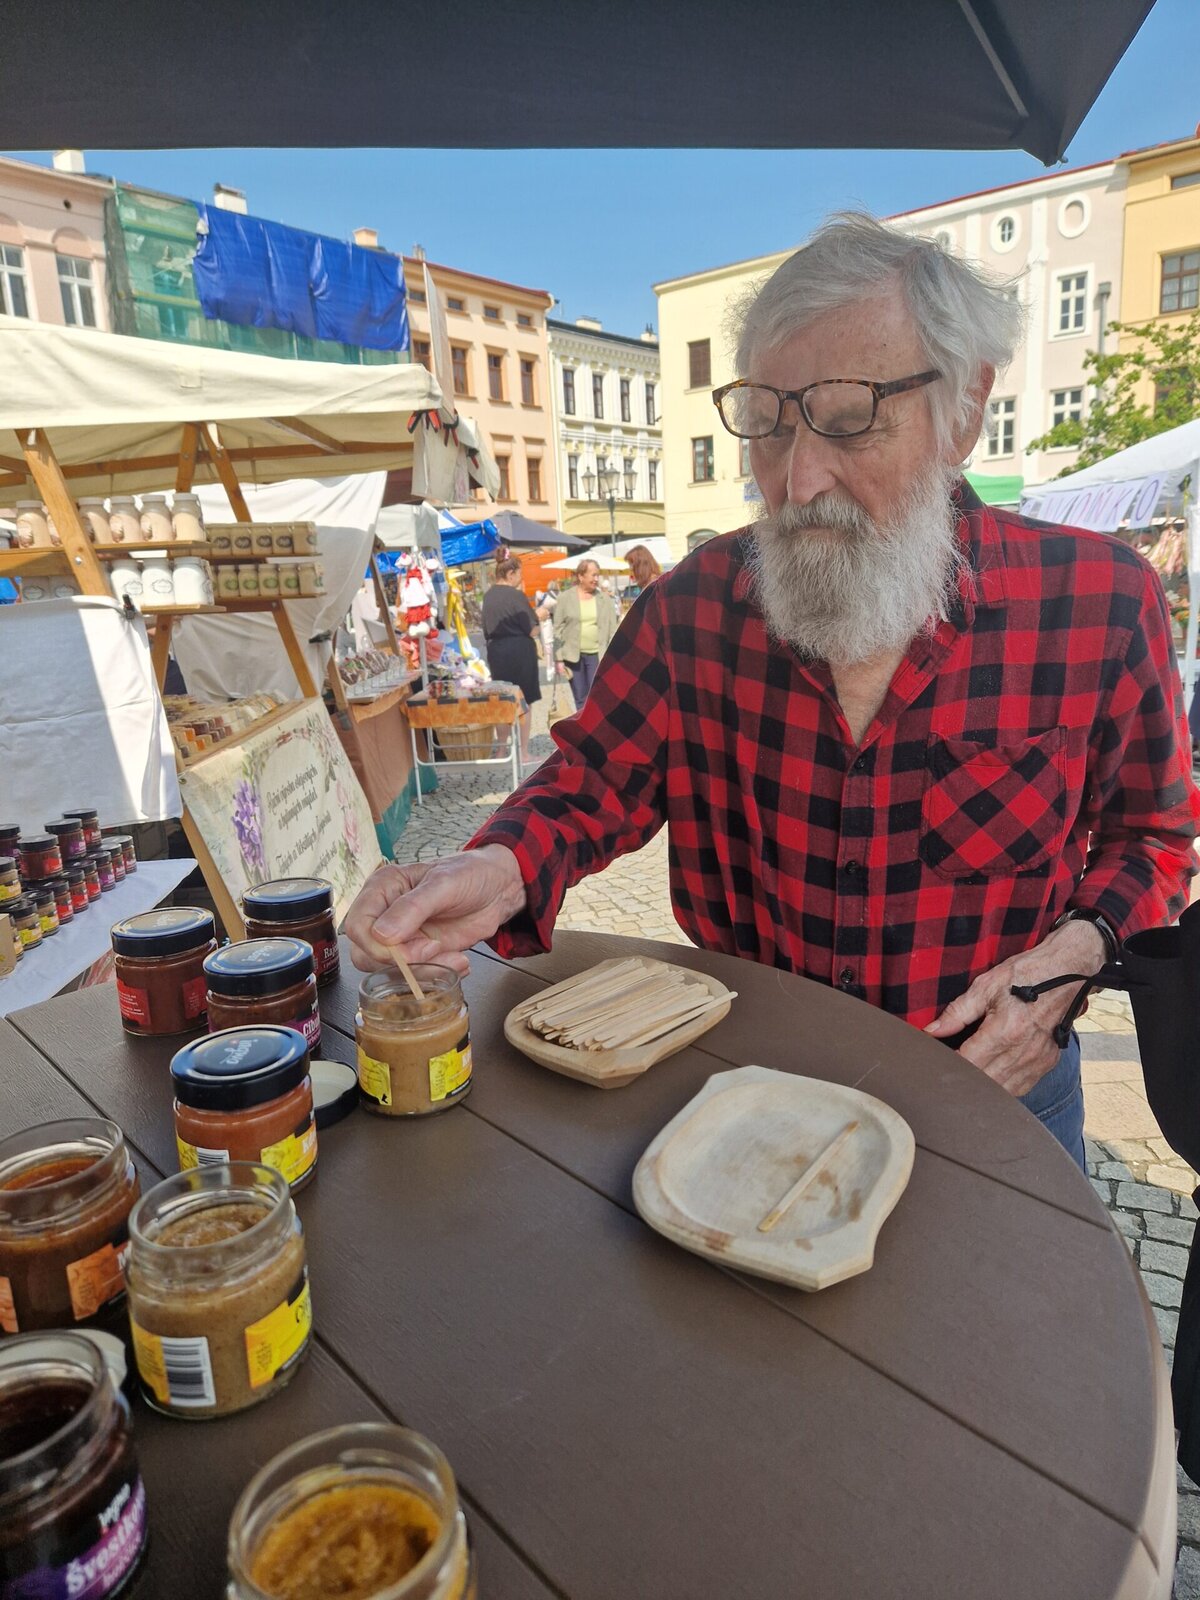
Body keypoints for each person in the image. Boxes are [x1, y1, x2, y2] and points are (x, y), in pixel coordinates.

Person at [345, 211, 1200, 1172]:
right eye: (767, 421)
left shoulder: (1098, 602)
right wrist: (495, 869)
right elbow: (588, 786)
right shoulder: (690, 612)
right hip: (750, 1092)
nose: (796, 480)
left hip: (998, 1092)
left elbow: (1153, 837)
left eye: (848, 417)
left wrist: (1070, 963)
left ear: (964, 411)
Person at [481, 557, 547, 764]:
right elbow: (532, 629)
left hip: (497, 652)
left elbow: (486, 628)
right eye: (519, 573)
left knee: (502, 700)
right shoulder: (516, 596)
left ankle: (501, 750)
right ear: (510, 574)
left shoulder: (488, 596)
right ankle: (523, 753)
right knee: (523, 701)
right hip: (520, 653)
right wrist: (540, 616)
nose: (521, 578)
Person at [552, 558, 619, 710]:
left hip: (597, 655)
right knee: (580, 698)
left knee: (597, 695)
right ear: (581, 576)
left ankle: (596, 723)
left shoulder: (606, 600)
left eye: (597, 575)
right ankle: (583, 724)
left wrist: (614, 657)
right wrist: (558, 658)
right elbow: (557, 629)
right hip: (572, 656)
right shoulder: (565, 598)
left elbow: (613, 630)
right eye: (593, 575)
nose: (596, 579)